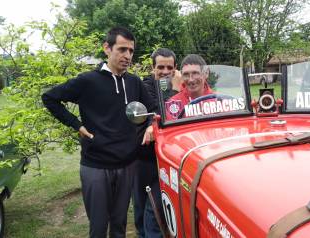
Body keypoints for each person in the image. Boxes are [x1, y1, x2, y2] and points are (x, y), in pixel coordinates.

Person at [42, 27, 155, 238]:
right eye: (122, 49)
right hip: (96, 165)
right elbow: (50, 98)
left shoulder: (134, 82)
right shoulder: (88, 81)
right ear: (107, 48)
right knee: (98, 228)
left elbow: (151, 110)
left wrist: (150, 125)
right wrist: (76, 124)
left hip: (128, 164)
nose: (127, 56)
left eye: (131, 51)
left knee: (120, 225)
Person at [133, 48, 180, 238]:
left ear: (175, 68)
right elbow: (160, 111)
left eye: (170, 67)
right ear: (153, 68)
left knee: (161, 203)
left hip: (169, 156)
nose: (165, 71)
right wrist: (175, 90)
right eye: (160, 67)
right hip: (144, 155)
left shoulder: (180, 83)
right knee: (142, 201)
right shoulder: (144, 86)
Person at [165, 54, 213, 120]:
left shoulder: (219, 100)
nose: (191, 80)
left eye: (195, 73)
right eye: (186, 74)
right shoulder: (174, 103)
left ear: (206, 73)